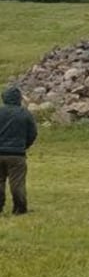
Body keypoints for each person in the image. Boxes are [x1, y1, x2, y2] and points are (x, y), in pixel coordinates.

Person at [0, 86, 37, 215]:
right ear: (19, 99)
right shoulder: (25, 113)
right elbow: (32, 133)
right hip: (17, 155)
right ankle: (19, 209)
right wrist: (24, 146)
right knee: (17, 183)